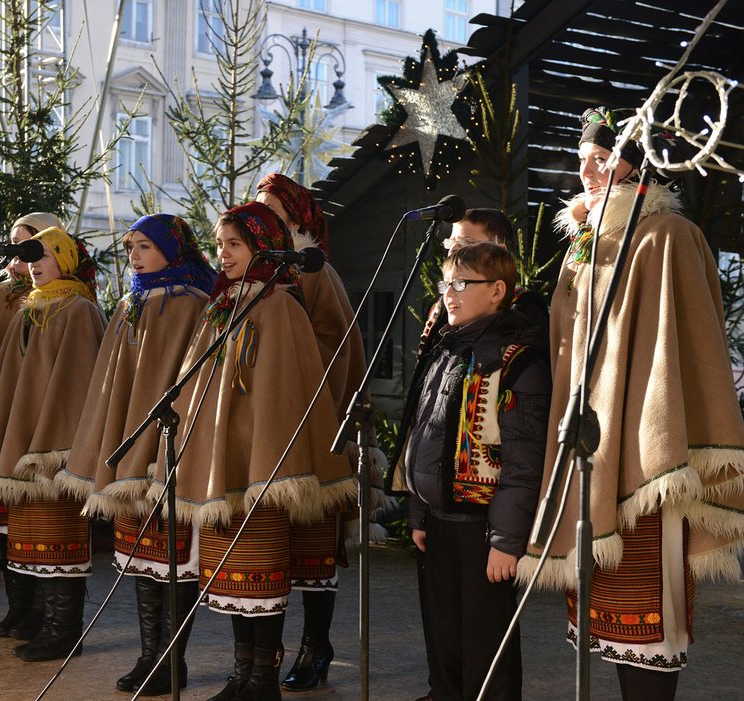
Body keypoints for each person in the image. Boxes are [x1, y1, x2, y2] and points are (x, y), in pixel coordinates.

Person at [520, 107, 744, 701]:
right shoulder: (586, 249)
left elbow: (683, 348)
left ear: (635, 166)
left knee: (646, 611)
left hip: (648, 456)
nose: (588, 173)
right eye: (582, 164)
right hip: (592, 446)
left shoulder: (667, 236)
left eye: (601, 160)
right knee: (600, 615)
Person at [167, 201, 356, 701]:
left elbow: (286, 393)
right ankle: (243, 675)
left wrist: (268, 454)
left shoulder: (280, 306)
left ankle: (263, 681)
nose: (222, 255)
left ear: (263, 248)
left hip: (264, 464)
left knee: (260, 571)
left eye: (234, 245)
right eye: (219, 245)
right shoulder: (222, 303)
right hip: (223, 461)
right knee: (231, 576)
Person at [388, 207, 549, 701]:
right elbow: (424, 435)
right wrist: (418, 508)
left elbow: (522, 461)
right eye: (446, 285)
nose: (449, 296)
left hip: (483, 531)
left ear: (497, 291)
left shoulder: (516, 359)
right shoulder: (446, 348)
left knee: (485, 647)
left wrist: (506, 539)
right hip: (437, 521)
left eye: (463, 284)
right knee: (443, 638)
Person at [57, 213, 216, 695]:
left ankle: (172, 660)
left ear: (173, 248)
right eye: (130, 247)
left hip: (168, 448)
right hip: (129, 448)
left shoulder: (194, 303)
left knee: (172, 558)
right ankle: (149, 654)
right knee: (142, 557)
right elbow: (114, 383)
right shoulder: (131, 301)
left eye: (144, 246)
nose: (134, 254)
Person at [0, 225, 105, 662]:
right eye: (29, 256)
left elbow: (80, 384)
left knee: (58, 535)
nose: (33, 263)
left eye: (42, 254)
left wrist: (60, 442)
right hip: (26, 445)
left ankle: (65, 631)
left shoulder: (79, 309)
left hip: (59, 448)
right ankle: (44, 622)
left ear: (64, 257)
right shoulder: (31, 307)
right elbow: (13, 385)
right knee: (33, 538)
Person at [254, 173, 369, 692]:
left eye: (276, 209)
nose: (268, 216)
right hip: (266, 430)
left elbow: (341, 345)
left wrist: (293, 362)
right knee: (272, 548)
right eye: (260, 209)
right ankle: (267, 652)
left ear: (298, 217)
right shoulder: (251, 274)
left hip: (312, 425)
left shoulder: (315, 272)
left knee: (314, 549)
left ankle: (316, 645)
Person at [0, 211, 62, 636]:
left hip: (40, 425)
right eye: (15, 245)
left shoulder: (64, 300)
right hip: (1, 423)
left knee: (38, 524)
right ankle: (17, 606)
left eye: (30, 247)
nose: (18, 257)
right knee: (6, 526)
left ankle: (45, 610)